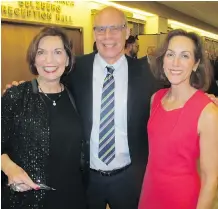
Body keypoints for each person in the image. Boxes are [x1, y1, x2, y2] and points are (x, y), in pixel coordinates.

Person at [69, 6, 160, 209]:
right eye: (100, 29)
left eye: (115, 28)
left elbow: (173, 98)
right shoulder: (75, 70)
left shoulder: (147, 74)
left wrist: (202, 99)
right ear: (93, 33)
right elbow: (50, 88)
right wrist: (19, 89)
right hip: (85, 178)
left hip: (128, 178)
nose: (107, 36)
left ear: (127, 32)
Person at [1, 27, 86, 209]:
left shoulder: (76, 96)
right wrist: (10, 169)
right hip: (28, 198)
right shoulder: (16, 96)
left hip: (73, 196)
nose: (49, 60)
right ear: (34, 58)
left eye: (57, 52)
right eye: (41, 52)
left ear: (68, 59)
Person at [138, 29, 218, 209]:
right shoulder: (156, 99)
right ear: (163, 60)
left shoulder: (208, 112)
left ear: (196, 64)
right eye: (170, 54)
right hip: (150, 194)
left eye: (184, 56)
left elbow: (210, 178)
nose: (175, 62)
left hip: (183, 198)